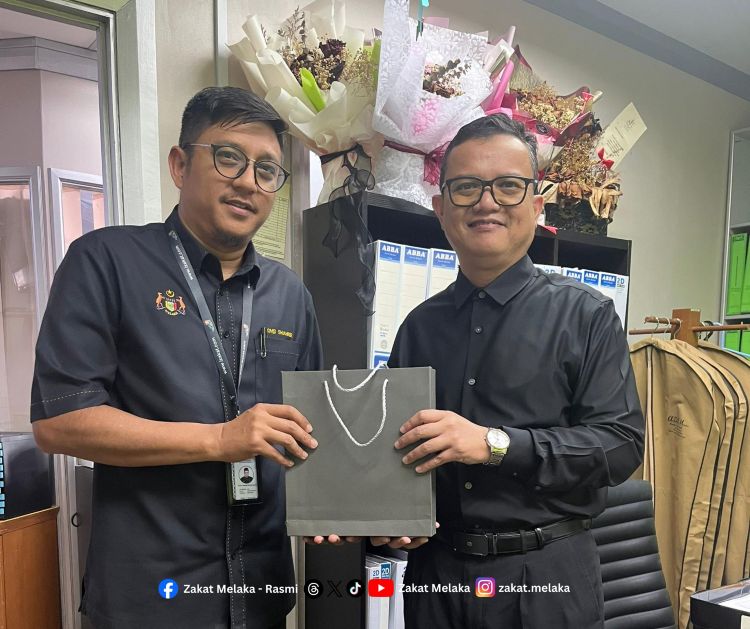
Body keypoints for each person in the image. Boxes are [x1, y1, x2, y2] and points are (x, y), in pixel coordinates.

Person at [31, 87, 325, 629]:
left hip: (262, 595)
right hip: (151, 599)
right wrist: (219, 439)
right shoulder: (106, 261)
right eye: (229, 157)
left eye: (266, 170)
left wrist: (353, 509)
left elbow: (311, 433)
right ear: (180, 165)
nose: (248, 182)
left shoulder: (291, 294)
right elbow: (59, 421)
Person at [386, 114, 644, 628]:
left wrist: (495, 444)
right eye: (466, 188)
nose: (486, 202)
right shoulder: (418, 326)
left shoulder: (586, 315)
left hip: (546, 577)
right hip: (436, 577)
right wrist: (386, 516)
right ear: (440, 209)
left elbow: (620, 446)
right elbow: (397, 448)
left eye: (507, 186)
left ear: (536, 205)